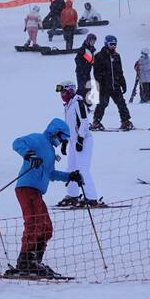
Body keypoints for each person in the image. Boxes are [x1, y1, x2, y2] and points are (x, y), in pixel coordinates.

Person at [10, 119, 80, 277]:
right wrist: (29, 155)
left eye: (65, 140)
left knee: (46, 227)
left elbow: (51, 174)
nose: (62, 141)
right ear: (55, 132)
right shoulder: (38, 139)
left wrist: (70, 176)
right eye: (62, 138)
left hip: (37, 192)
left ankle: (35, 260)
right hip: (26, 188)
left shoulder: (50, 150)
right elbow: (17, 143)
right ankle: (25, 261)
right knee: (34, 223)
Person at [57, 79, 103, 208]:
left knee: (83, 170)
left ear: (71, 91)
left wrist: (81, 140)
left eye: (64, 92)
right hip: (73, 141)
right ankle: (73, 195)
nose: (62, 95)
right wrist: (65, 141)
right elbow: (69, 126)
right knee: (71, 169)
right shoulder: (68, 105)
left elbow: (84, 122)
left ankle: (91, 197)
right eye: (61, 93)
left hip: (84, 140)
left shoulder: (78, 102)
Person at [91, 34, 132, 130]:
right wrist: (101, 82)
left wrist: (123, 82)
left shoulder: (117, 56)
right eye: (111, 44)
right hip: (105, 86)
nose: (113, 46)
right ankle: (96, 122)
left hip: (115, 86)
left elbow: (120, 71)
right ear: (106, 44)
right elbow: (96, 72)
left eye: (115, 44)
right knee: (102, 104)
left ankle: (125, 121)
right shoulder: (99, 56)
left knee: (121, 103)